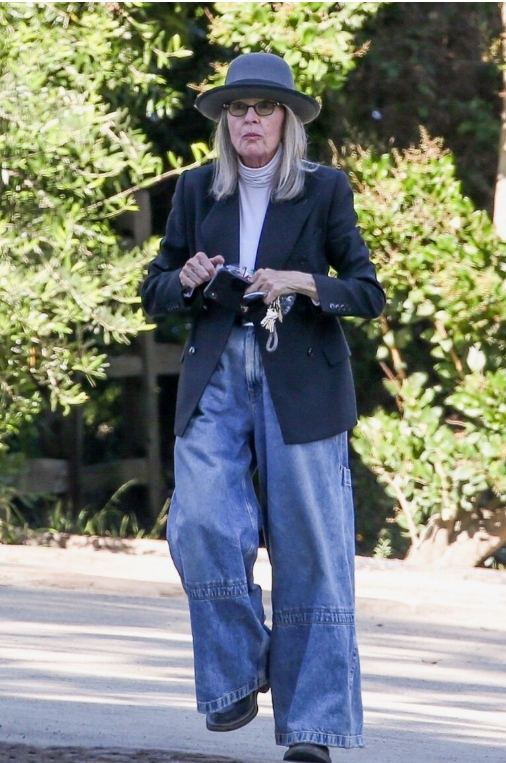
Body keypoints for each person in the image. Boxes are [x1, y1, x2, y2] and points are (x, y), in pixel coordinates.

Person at [141, 52, 385, 763]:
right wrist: (186, 279)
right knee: (199, 524)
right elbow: (155, 289)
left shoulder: (325, 188)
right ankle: (239, 671)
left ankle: (313, 729)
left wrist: (303, 282)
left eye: (264, 108)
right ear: (225, 121)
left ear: (286, 120)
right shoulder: (197, 188)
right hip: (217, 372)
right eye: (238, 108)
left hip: (302, 375)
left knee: (312, 552)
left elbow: (367, 291)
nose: (250, 119)